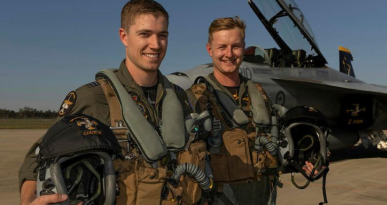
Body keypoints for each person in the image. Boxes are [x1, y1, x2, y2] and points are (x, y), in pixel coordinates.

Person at [19, 1, 206, 205]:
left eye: (162, 35)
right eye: (145, 34)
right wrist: (29, 200)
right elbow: (41, 156)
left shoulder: (181, 98)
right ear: (124, 37)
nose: (155, 44)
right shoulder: (93, 98)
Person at [186, 16, 319, 205]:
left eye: (236, 46)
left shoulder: (258, 93)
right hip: (221, 198)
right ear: (210, 50)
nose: (229, 54)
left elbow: (277, 141)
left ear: (243, 47)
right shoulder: (197, 97)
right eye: (222, 47)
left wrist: (302, 161)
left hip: (264, 196)